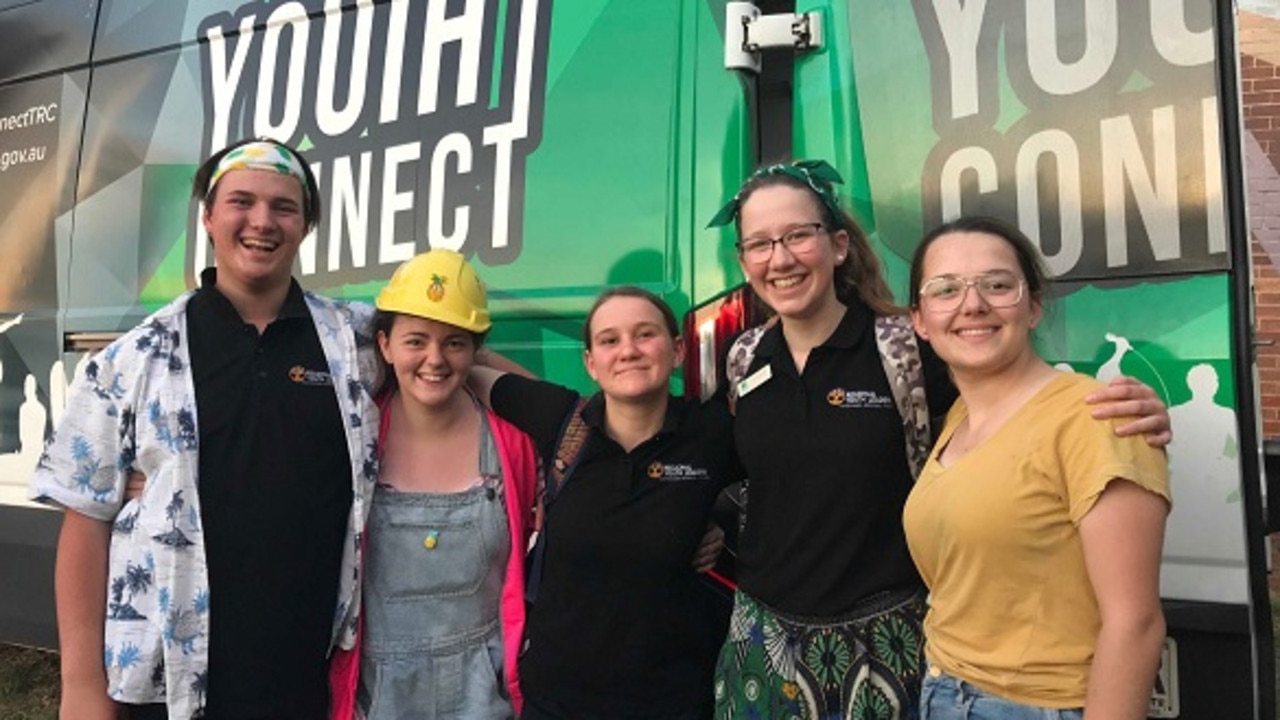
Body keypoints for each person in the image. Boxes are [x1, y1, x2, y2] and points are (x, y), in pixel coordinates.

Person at [705, 160, 1171, 720]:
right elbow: (719, 457)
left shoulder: (905, 348)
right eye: (760, 243)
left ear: (839, 245)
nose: (780, 258)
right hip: (765, 640)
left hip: (884, 644)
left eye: (799, 235)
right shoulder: (743, 357)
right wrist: (691, 522)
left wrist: (1132, 407)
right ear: (743, 260)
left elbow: (1013, 388)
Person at [31, 138, 381, 720]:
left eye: (284, 207)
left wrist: (570, 423)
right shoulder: (135, 359)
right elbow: (85, 524)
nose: (262, 222)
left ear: (306, 225)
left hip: (305, 678)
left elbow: (450, 356)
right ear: (209, 217)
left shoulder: (354, 341)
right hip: (167, 683)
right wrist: (81, 685)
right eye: (241, 201)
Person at [903, 216, 1169, 719]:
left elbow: (1134, 624)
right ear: (919, 319)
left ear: (1033, 306)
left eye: (997, 284)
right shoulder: (959, 416)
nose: (972, 304)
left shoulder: (1096, 419)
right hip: (944, 690)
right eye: (946, 289)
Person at [467, 286, 742, 719]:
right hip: (558, 703)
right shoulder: (560, 420)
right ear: (591, 363)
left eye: (645, 335)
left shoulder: (712, 434)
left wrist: (718, 520)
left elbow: (790, 482)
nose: (628, 351)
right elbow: (471, 367)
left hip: (673, 702)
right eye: (610, 340)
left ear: (677, 350)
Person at [327, 249, 539, 720]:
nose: (435, 360)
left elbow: (592, 469)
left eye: (455, 343)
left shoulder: (514, 444)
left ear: (476, 349)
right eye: (416, 341)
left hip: (486, 701)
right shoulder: (354, 440)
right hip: (378, 700)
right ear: (383, 345)